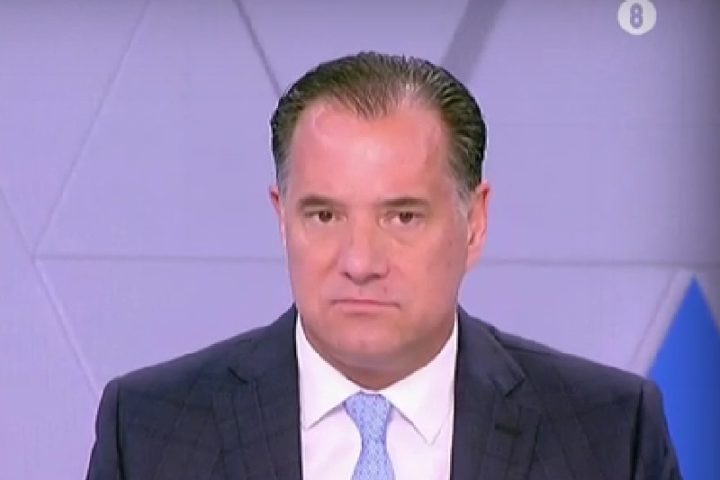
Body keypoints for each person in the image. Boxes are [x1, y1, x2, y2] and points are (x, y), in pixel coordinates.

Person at [86, 51, 681, 480]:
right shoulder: (149, 430)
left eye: (402, 217)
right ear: (281, 217)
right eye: (324, 215)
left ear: (474, 223)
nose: (360, 262)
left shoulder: (609, 431)